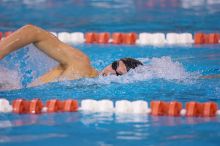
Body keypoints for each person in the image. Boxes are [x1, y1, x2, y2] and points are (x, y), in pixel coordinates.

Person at [0, 24, 143, 86]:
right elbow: (32, 31)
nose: (110, 73)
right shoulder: (81, 65)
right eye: (114, 65)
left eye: (118, 75)